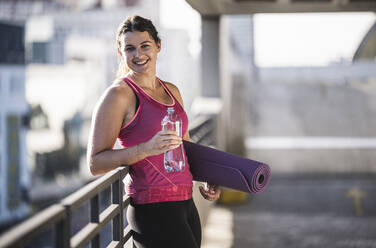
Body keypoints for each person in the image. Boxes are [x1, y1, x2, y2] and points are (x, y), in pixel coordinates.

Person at [87, 15, 221, 248]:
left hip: (186, 203)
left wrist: (210, 175)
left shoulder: (172, 91)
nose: (138, 55)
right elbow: (95, 163)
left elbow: (185, 147)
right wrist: (145, 149)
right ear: (121, 53)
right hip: (153, 210)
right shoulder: (118, 95)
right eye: (130, 48)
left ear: (158, 46)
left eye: (145, 46)